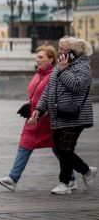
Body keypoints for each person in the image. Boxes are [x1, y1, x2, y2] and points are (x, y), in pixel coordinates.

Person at [0, 45, 78, 191]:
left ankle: (79, 173)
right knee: (26, 144)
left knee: (58, 149)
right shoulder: (38, 74)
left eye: (41, 57)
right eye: (37, 57)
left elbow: (53, 97)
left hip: (47, 120)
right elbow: (34, 94)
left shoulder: (54, 75)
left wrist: (41, 112)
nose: (37, 59)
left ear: (50, 59)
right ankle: (12, 179)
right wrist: (29, 105)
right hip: (33, 117)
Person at [31, 36, 96, 195]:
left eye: (63, 50)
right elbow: (48, 90)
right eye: (59, 49)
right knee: (61, 150)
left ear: (73, 53)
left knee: (65, 149)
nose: (59, 52)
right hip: (59, 114)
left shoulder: (83, 67)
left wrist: (63, 70)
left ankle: (64, 183)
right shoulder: (59, 66)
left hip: (75, 115)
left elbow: (77, 86)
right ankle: (86, 171)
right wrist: (39, 109)